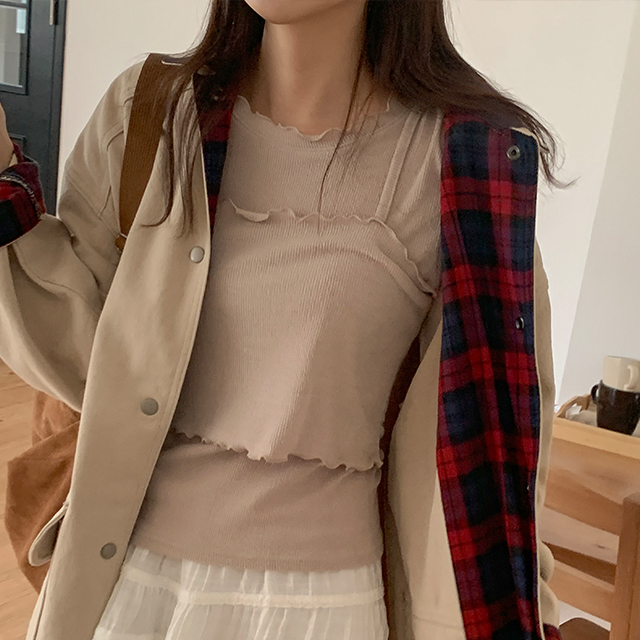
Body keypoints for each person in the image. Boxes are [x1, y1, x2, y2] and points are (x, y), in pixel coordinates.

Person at [0, 1, 571, 639]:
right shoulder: (150, 114)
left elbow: (500, 442)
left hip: (325, 607)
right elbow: (89, 361)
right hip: (129, 589)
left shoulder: (467, 165)